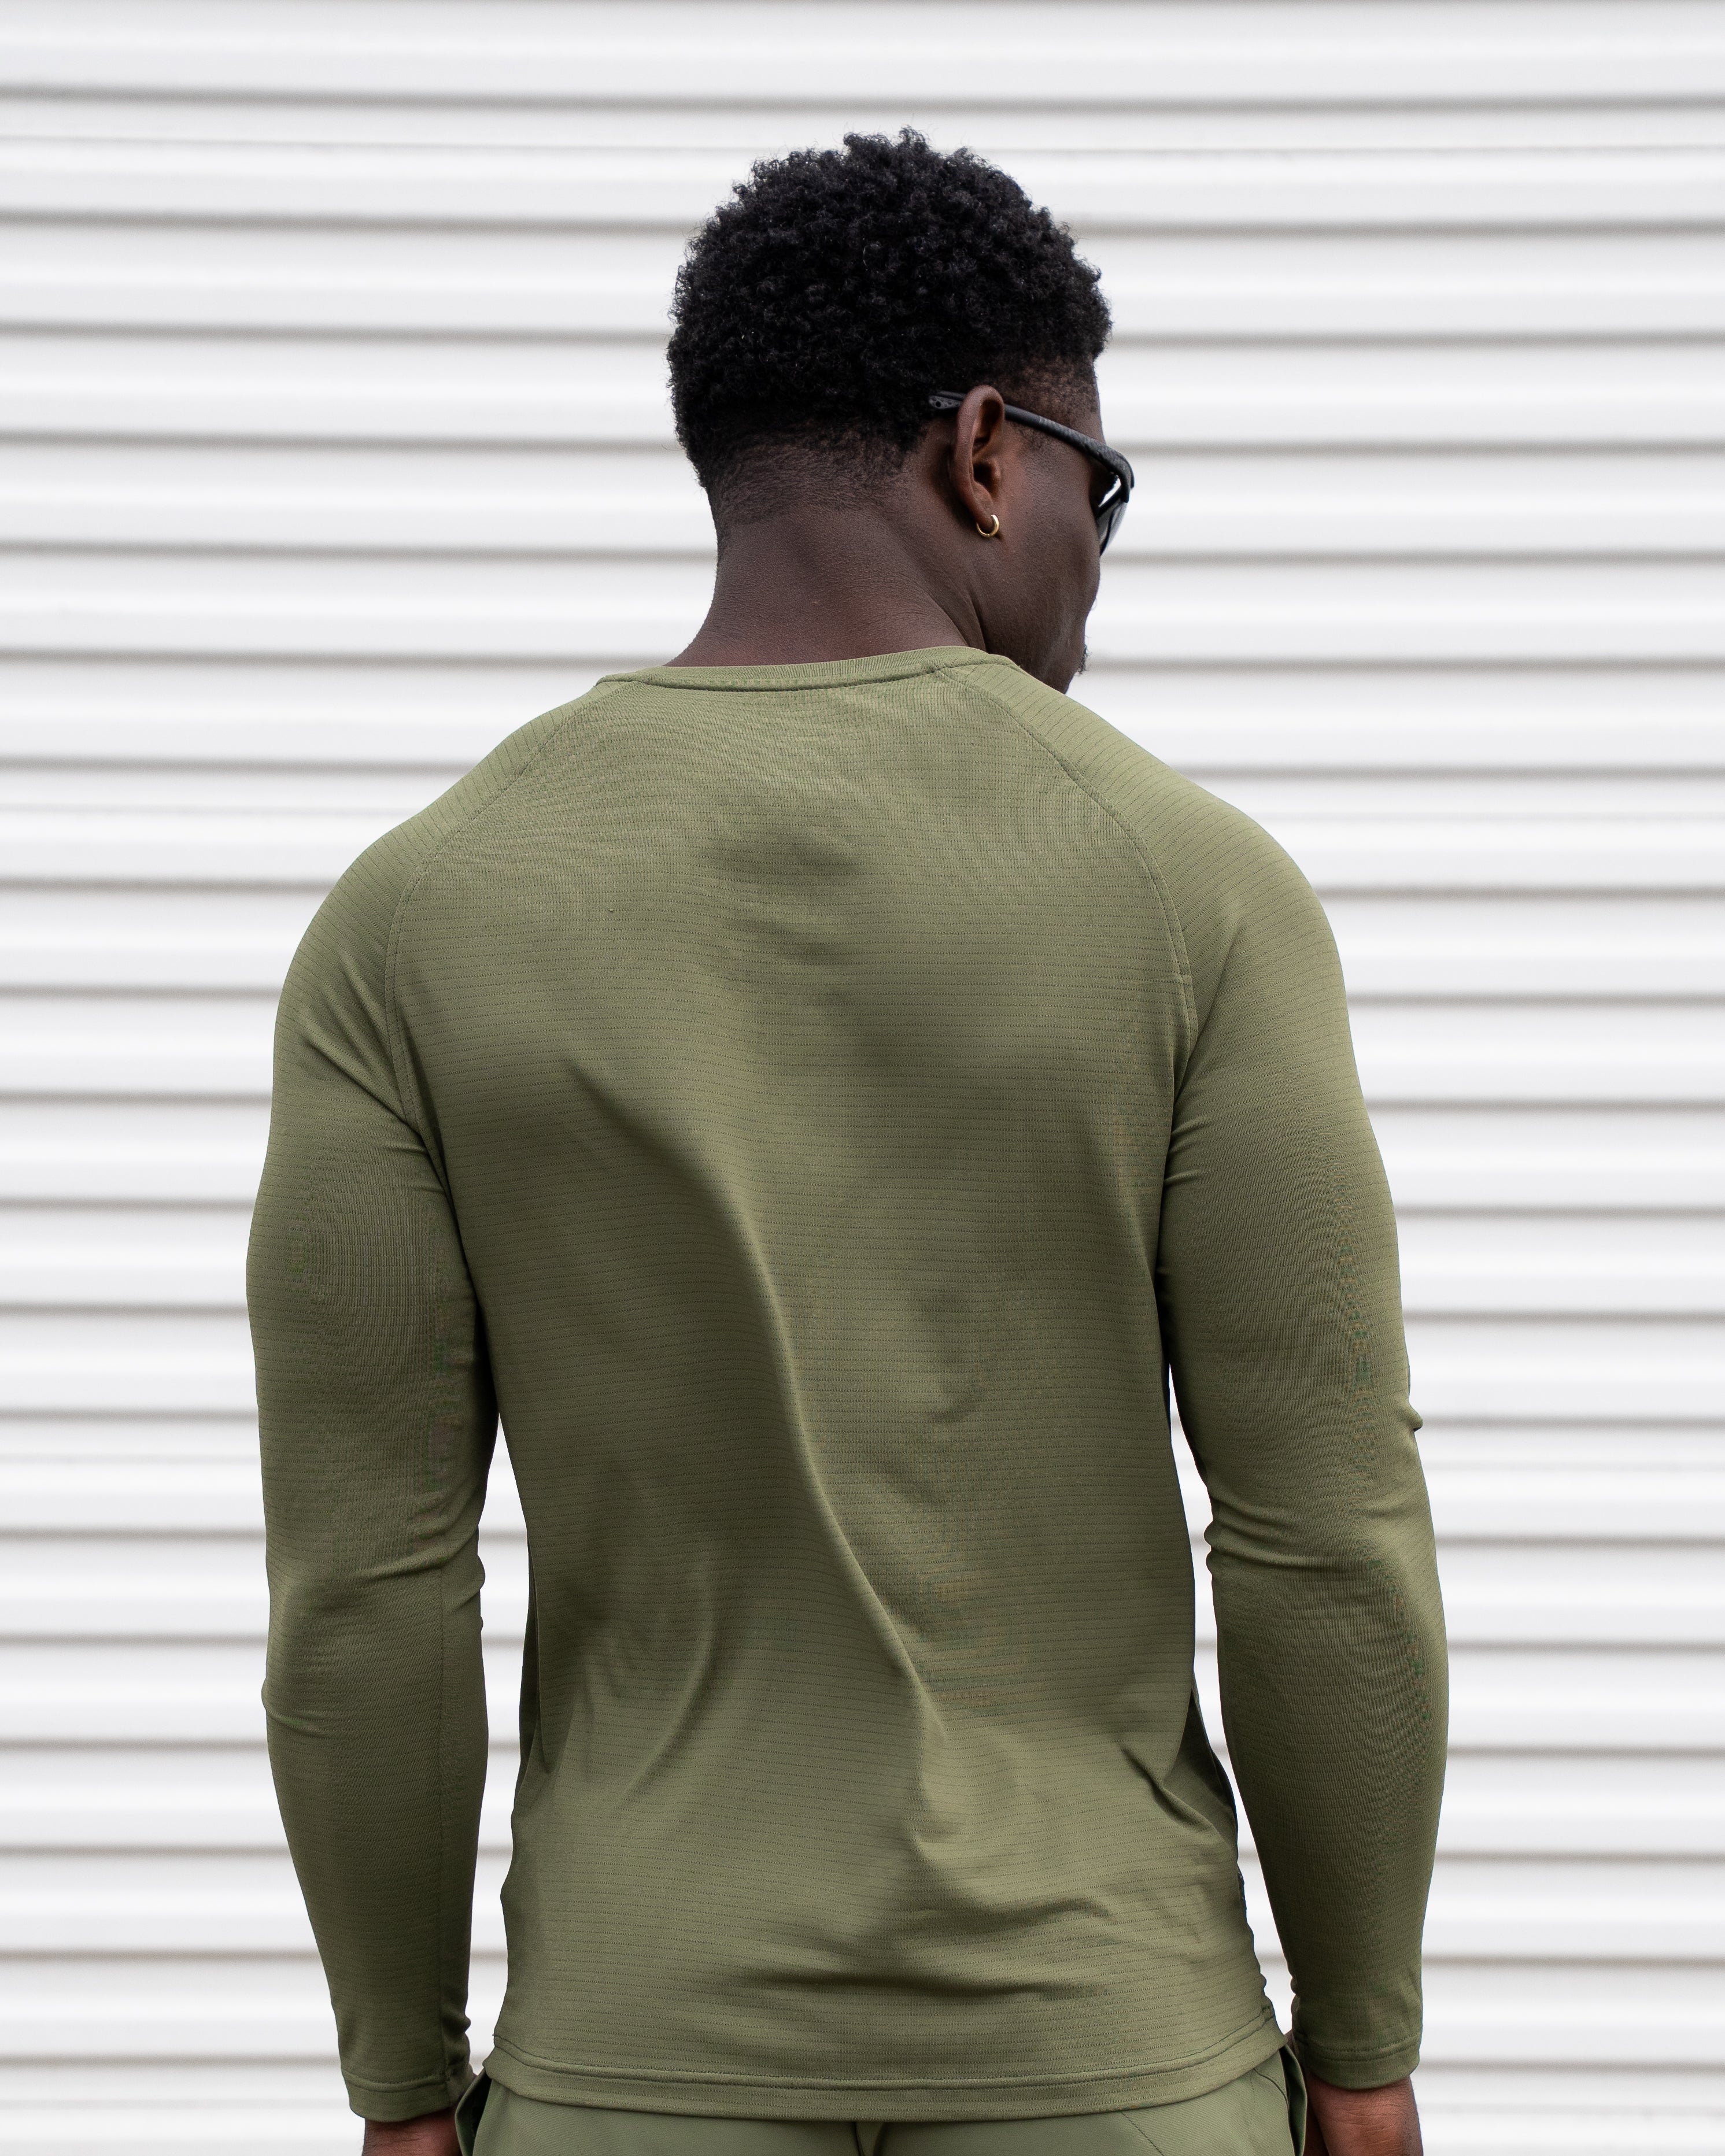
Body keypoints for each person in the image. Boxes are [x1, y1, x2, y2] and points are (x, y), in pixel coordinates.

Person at [248, 131, 1446, 2156]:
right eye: (1098, 486)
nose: (1096, 558)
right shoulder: (1195, 890)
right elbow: (1325, 1535)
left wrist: (400, 2079)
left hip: (636, 2060)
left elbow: (369, 1582)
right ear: (984, 453)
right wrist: (1363, 2045)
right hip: (1114, 2066)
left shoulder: (415, 918)